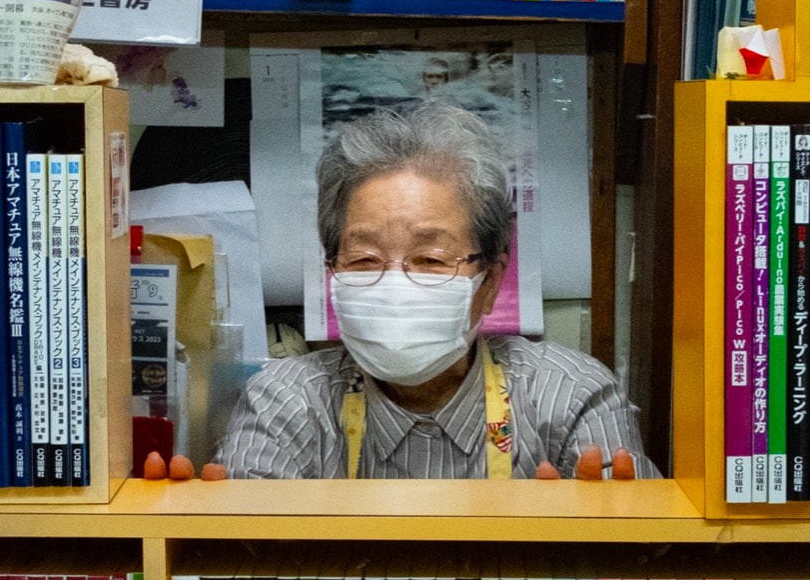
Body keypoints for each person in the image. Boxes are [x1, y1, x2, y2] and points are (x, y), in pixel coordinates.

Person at [216, 99, 657, 479]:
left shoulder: (571, 394)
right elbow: (233, 562)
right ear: (332, 270)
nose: (394, 286)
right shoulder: (285, 401)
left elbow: (648, 556)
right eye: (365, 260)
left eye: (430, 260)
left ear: (491, 282)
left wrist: (589, 532)